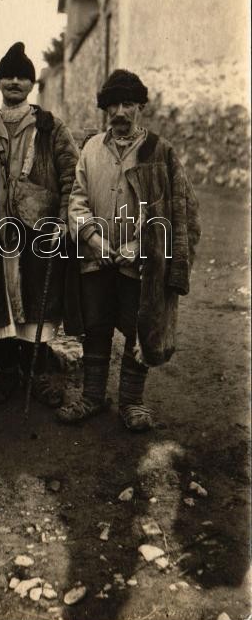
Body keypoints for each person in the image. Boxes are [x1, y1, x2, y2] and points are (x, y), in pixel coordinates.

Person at [59, 69, 201, 430]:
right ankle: (92, 396)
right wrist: (93, 239)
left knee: (140, 327)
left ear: (140, 106)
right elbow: (76, 202)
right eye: (112, 105)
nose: (120, 112)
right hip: (96, 260)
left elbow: (178, 209)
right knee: (95, 326)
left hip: (140, 266)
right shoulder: (91, 149)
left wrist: (141, 246)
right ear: (105, 110)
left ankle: (132, 402)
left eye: (128, 104)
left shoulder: (160, 151)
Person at [0, 42, 79, 406]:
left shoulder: (51, 127)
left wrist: (62, 218)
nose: (14, 82)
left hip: (39, 228)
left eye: (22, 77)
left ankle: (37, 375)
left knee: (37, 302)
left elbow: (72, 175)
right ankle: (8, 373)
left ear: (31, 84)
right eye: (7, 76)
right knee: (2, 304)